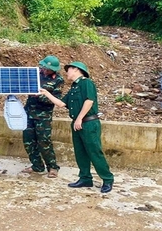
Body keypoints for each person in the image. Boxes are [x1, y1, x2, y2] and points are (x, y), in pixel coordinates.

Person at [39, 61, 114, 193]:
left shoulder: (86, 83)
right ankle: (85, 178)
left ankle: (107, 179)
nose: (66, 72)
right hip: (77, 123)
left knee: (94, 152)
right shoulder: (74, 87)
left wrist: (79, 118)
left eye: (69, 70)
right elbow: (62, 104)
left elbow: (89, 101)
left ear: (76, 70)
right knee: (80, 153)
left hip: (88, 123)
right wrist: (46, 93)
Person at [22, 55, 64, 178]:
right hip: (28, 113)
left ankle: (52, 167)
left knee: (44, 141)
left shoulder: (58, 80)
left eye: (48, 69)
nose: (45, 70)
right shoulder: (35, 74)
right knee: (28, 141)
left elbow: (56, 99)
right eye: (44, 68)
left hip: (43, 116)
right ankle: (37, 165)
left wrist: (39, 95)